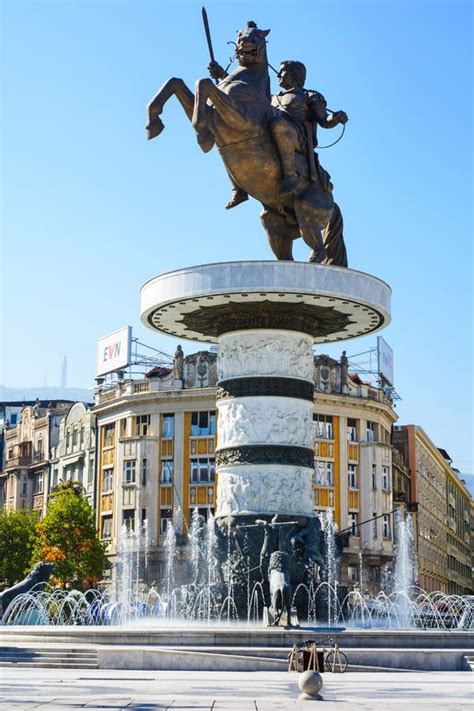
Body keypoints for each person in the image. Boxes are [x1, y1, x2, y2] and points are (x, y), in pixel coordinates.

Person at [209, 59, 348, 208]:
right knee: (228, 133)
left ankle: (290, 175)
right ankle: (238, 187)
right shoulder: (273, 98)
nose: (279, 74)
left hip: (297, 138)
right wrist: (223, 75)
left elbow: (324, 120)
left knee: (278, 124)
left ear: (294, 75)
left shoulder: (309, 95)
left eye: (283, 71)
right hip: (272, 132)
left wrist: (335, 118)